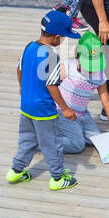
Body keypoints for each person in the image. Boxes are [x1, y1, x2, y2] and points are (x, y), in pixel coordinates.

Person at [6, 10, 79, 191]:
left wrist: (22, 87)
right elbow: (52, 85)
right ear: (56, 37)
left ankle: (16, 171)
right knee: (52, 143)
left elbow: (19, 69)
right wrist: (66, 109)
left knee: (27, 139)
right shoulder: (52, 56)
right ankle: (57, 178)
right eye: (63, 37)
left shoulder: (30, 47)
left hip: (26, 105)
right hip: (44, 110)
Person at [56, 31, 109, 153]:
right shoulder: (67, 67)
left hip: (82, 114)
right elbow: (49, 87)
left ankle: (67, 132)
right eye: (89, 64)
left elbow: (106, 98)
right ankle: (44, 141)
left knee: (97, 140)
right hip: (64, 113)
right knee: (78, 145)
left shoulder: (99, 74)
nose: (92, 69)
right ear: (78, 55)